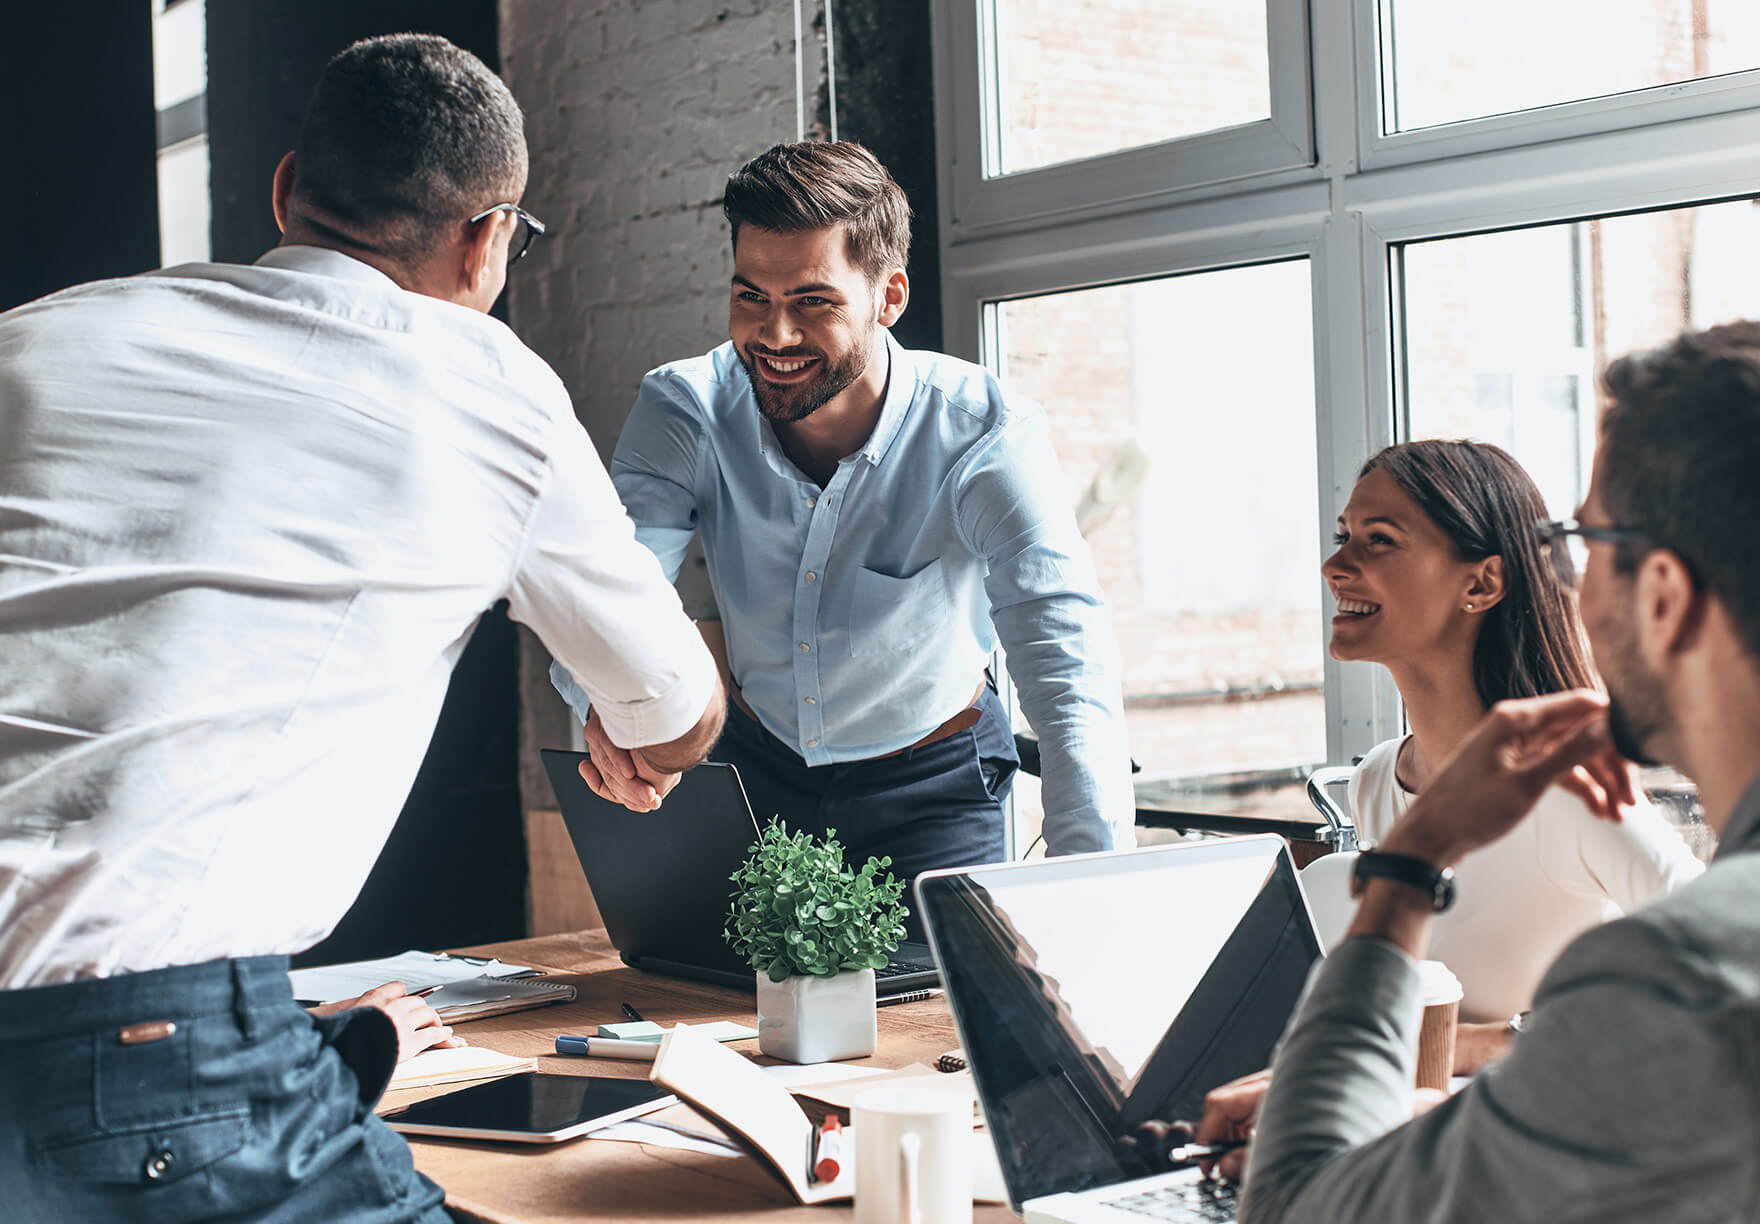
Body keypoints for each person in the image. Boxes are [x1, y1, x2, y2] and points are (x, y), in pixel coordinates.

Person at [0, 34, 722, 1223]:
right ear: (490, 240)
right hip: (151, 1060)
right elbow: (674, 708)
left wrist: (299, 1036)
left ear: (286, 192)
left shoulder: (36, 338)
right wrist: (641, 734)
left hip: (158, 1040)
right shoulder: (484, 386)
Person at [1196, 321, 1760, 1221]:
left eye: (1583, 540)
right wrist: (1439, 1113)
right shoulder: (1381, 776)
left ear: (1662, 594)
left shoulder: (1673, 966)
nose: (1566, 577)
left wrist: (1408, 870)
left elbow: (1299, 1205)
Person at [551, 140, 1134, 923]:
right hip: (756, 773)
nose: (774, 335)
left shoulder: (982, 433)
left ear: (887, 297)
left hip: (933, 789)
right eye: (750, 296)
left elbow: (1065, 659)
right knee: (724, 1021)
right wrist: (605, 718)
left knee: (947, 1030)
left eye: (812, 301)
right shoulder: (685, 408)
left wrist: (1092, 894)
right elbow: (605, 591)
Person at [1322, 439, 1701, 1071]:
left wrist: (1486, 1043)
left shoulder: (1565, 793)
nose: (1337, 565)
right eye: (1344, 535)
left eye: (1379, 540)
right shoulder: (1377, 782)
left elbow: (1732, 968)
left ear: (1482, 582)